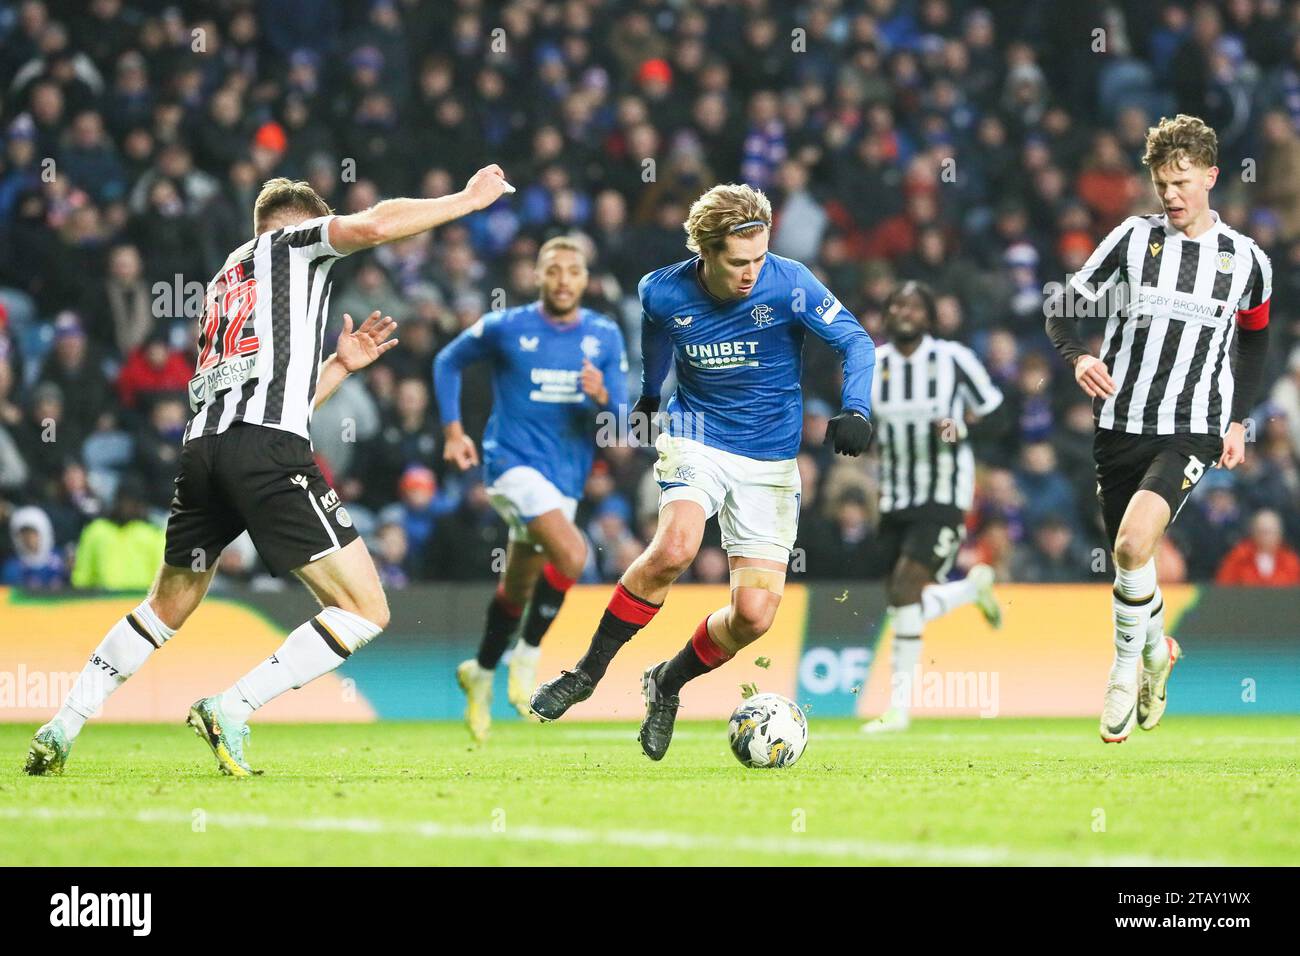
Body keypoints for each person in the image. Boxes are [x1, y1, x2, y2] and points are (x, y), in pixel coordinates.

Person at [25, 165, 512, 776]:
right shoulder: (290, 244)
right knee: (365, 610)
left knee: (165, 604)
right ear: (303, 223)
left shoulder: (226, 283)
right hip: (265, 450)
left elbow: (280, 395)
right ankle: (232, 706)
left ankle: (62, 724)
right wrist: (465, 202)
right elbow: (376, 223)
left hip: (205, 452)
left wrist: (339, 366)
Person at [530, 183, 876, 761]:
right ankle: (587, 673)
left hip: (769, 457)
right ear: (706, 252)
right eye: (738, 262)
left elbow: (856, 342)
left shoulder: (790, 282)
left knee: (753, 616)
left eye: (759, 258)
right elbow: (657, 339)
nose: (750, 273)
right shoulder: (661, 291)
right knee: (675, 548)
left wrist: (856, 408)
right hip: (697, 436)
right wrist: (646, 396)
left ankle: (666, 684)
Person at [1046, 115, 1270, 743]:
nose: (1170, 195)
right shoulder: (1131, 240)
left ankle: (1122, 670)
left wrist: (1237, 420)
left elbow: (1255, 342)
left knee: (1129, 546)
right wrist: (1079, 357)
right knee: (1129, 564)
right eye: (1161, 182)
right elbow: (1061, 308)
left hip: (1191, 427)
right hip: (1119, 425)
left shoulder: (1246, 260)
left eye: (1181, 182)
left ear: (1210, 178)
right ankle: (1153, 652)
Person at [435, 236, 629, 740]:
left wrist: (602, 396)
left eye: (573, 271)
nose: (563, 279)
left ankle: (479, 671)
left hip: (565, 477)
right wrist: (454, 431)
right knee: (572, 554)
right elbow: (447, 361)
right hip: (510, 465)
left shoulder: (605, 335)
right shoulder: (507, 326)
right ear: (537, 276)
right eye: (553, 269)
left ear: (586, 280)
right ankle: (528, 656)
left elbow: (622, 421)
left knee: (518, 584)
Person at [861, 281, 1004, 734]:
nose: (904, 311)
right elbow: (859, 420)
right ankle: (969, 589)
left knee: (905, 590)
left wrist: (961, 429)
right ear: (886, 315)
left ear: (929, 315)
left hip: (944, 492)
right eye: (896, 304)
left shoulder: (953, 359)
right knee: (902, 600)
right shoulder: (872, 364)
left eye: (914, 305)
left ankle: (898, 710)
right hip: (894, 495)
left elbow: (1000, 414)